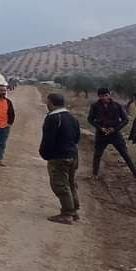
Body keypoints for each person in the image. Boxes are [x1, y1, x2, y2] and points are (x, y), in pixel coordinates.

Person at [39, 93, 81, 224]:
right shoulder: (72, 118)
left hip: (59, 157)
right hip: (73, 156)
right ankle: (74, 211)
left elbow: (48, 140)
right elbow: (77, 138)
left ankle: (67, 214)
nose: (47, 104)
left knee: (60, 185)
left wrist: (45, 154)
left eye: (48, 102)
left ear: (51, 103)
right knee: (71, 183)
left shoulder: (53, 118)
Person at [88, 88, 136, 183]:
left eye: (106, 95)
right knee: (97, 155)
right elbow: (90, 119)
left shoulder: (117, 106)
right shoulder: (95, 106)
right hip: (101, 134)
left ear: (109, 95)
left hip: (115, 134)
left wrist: (115, 129)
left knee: (125, 154)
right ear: (99, 96)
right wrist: (100, 128)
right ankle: (94, 175)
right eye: (101, 96)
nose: (104, 98)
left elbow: (125, 120)